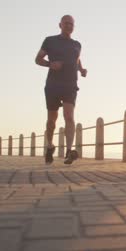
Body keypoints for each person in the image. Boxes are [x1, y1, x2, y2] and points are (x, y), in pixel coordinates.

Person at [35, 15, 87, 164]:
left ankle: (69, 152)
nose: (69, 26)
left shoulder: (77, 44)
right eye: (66, 23)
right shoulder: (50, 40)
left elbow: (76, 59)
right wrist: (50, 64)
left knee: (69, 117)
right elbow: (37, 59)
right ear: (60, 25)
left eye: (72, 24)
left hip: (70, 85)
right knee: (52, 120)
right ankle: (50, 145)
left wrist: (81, 69)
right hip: (53, 85)